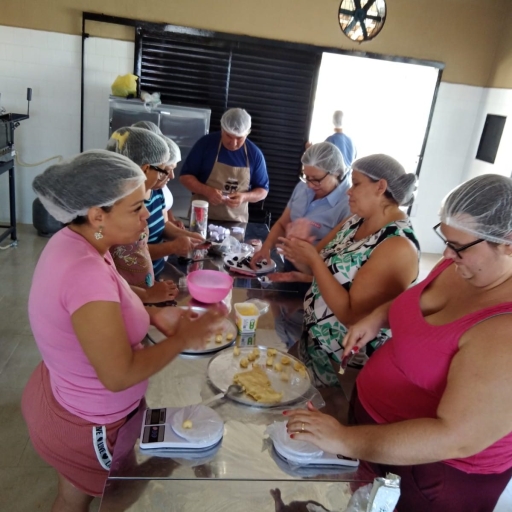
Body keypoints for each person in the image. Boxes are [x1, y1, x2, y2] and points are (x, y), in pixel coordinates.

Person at [284, 174, 512, 512]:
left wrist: (343, 438)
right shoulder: (460, 267)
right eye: (445, 239)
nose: (446, 253)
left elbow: (456, 437)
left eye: (459, 246)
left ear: (508, 243)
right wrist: (377, 318)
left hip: (430, 473)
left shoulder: (504, 329)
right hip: (375, 432)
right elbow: (416, 302)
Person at [21, 150, 225, 511]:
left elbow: (112, 297)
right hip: (91, 423)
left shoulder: (78, 241)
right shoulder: (84, 273)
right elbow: (118, 375)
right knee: (114, 497)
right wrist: (183, 339)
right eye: (136, 208)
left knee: (71, 496)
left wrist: (151, 313)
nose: (146, 215)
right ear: (98, 215)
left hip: (62, 397)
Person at [278, 154, 419, 387]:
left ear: (380, 187)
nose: (348, 191)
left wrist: (312, 260)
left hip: (343, 363)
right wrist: (298, 249)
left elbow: (353, 317)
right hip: (313, 341)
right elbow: (316, 266)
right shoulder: (356, 221)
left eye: (356, 184)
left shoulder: (397, 245)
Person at [107, 127, 203, 279]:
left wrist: (190, 236)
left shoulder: (153, 193)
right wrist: (172, 247)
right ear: (145, 169)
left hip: (148, 279)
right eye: (163, 170)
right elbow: (128, 254)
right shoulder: (119, 208)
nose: (146, 214)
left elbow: (158, 229)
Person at [251, 142, 351, 275]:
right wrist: (266, 248)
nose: (310, 185)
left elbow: (336, 261)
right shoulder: (303, 187)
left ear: (336, 173)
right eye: (306, 177)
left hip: (317, 276)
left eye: (316, 179)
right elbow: (282, 224)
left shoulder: (349, 205)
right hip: (289, 264)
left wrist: (302, 247)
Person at [179, 107, 269, 222]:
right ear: (222, 129)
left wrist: (244, 197)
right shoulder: (205, 144)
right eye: (229, 136)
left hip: (236, 222)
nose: (233, 143)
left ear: (247, 133)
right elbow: (185, 177)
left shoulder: (255, 154)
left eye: (239, 138)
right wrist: (207, 191)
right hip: (201, 218)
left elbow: (263, 191)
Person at [132, 121, 184, 228]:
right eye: (165, 170)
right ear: (146, 168)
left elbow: (163, 222)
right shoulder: (128, 199)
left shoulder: (156, 191)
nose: (171, 176)